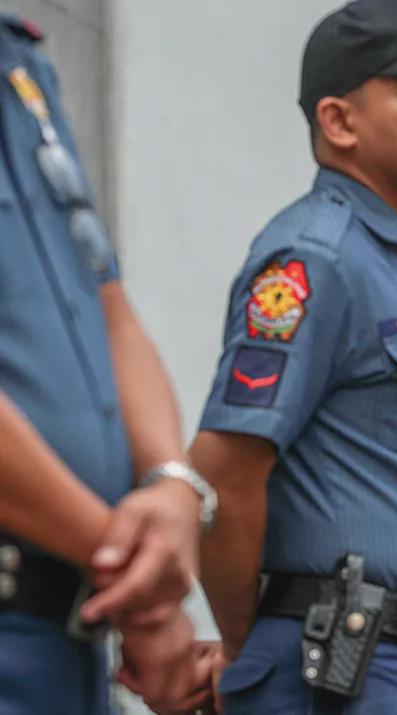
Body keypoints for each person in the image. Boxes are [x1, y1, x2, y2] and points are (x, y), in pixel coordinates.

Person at [189, 2, 397, 712]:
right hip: (342, 665)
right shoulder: (316, 256)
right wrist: (247, 650)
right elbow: (225, 472)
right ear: (339, 121)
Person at [0, 13, 213, 713]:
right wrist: (141, 586)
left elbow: (109, 310)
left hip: (68, 637)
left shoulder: (23, 62)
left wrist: (172, 483)